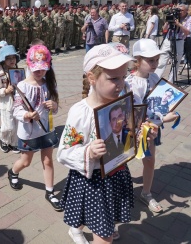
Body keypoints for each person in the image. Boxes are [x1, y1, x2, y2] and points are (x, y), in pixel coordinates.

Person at [57, 43, 136, 244]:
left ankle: (78, 229)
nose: (121, 84)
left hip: (116, 174)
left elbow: (125, 137)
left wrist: (140, 135)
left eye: (123, 77)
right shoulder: (80, 112)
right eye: (113, 78)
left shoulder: (121, 104)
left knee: (89, 215)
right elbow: (64, 152)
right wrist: (88, 152)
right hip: (93, 181)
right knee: (104, 236)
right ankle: (84, 231)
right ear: (92, 78)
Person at [125, 39, 179, 214]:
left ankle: (146, 192)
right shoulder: (131, 84)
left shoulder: (155, 77)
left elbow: (158, 103)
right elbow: (136, 118)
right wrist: (163, 119)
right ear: (137, 61)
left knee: (149, 160)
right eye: (150, 60)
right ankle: (119, 195)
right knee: (123, 161)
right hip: (133, 131)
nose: (155, 64)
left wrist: (169, 106)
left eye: (156, 59)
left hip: (151, 130)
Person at [7, 45, 61, 211]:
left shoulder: (50, 84)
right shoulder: (22, 86)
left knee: (48, 160)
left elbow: (56, 108)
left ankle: (50, 192)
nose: (40, 72)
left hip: (46, 129)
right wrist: (27, 115)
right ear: (29, 66)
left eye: (43, 69)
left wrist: (54, 105)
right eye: (36, 69)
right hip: (29, 132)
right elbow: (16, 110)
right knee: (26, 161)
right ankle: (13, 172)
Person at [0, 45, 20, 153]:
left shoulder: (19, 72)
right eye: (8, 58)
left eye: (13, 57)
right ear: (3, 60)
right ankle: (3, 140)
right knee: (7, 126)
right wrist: (5, 91)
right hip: (5, 104)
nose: (12, 60)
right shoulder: (0, 75)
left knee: (16, 125)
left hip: (17, 103)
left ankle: (14, 143)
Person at [156, 4, 191, 82]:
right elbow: (164, 30)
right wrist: (167, 22)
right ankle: (156, 80)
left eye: (181, 11)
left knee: (175, 63)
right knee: (161, 62)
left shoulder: (190, 19)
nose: (179, 12)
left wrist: (178, 24)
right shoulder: (173, 16)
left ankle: (171, 81)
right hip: (168, 40)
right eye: (177, 10)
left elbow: (187, 32)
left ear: (186, 10)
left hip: (179, 41)